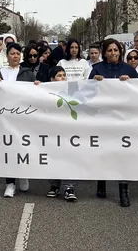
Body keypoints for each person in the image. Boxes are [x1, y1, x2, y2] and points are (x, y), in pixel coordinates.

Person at [89, 38, 138, 207]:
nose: (113, 53)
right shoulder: (97, 69)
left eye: (116, 50)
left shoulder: (128, 69)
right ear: (104, 53)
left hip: (123, 119)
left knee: (122, 153)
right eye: (110, 50)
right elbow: (86, 93)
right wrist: (93, 82)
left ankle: (123, 190)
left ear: (120, 52)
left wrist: (130, 83)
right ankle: (101, 182)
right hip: (103, 118)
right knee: (103, 151)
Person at [0, 42, 35, 198]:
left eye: (18, 54)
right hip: (5, 118)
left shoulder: (27, 73)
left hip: (23, 117)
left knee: (23, 147)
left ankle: (24, 175)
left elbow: (36, 92)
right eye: (12, 53)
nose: (15, 56)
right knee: (8, 149)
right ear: (7, 56)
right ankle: (10, 183)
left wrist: (38, 85)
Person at [46, 65, 78, 202]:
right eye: (59, 76)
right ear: (52, 79)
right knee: (53, 156)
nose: (63, 78)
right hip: (52, 130)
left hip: (68, 131)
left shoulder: (73, 92)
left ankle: (69, 187)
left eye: (64, 75)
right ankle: (54, 185)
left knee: (68, 157)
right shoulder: (45, 92)